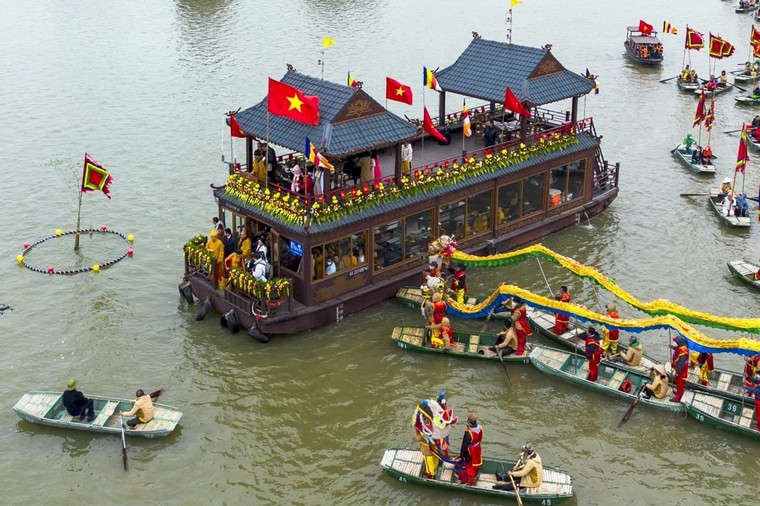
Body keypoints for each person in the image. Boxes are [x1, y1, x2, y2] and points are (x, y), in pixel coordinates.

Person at [457, 413, 483, 485]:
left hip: (470, 452)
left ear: (469, 421)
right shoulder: (481, 428)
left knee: (470, 467)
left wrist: (462, 456)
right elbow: (480, 439)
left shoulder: (468, 433)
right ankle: (475, 474)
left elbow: (464, 446)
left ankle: (470, 482)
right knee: (477, 463)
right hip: (478, 449)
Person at [670, 336, 689, 402]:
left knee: (680, 383)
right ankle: (679, 392)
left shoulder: (683, 352)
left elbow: (681, 363)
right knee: (679, 383)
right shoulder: (683, 347)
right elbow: (678, 349)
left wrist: (677, 372)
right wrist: (673, 347)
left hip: (681, 370)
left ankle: (678, 398)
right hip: (679, 368)